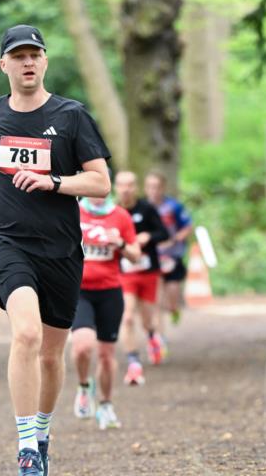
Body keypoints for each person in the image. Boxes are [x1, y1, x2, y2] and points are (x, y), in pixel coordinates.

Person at [0, 24, 111, 476]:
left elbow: (100, 182)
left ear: (45, 61)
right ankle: (25, 450)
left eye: (34, 55)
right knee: (25, 333)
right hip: (9, 243)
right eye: (18, 56)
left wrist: (54, 182)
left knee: (51, 355)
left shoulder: (71, 116)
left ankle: (41, 434)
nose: (27, 62)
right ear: (4, 64)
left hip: (61, 250)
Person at [70, 193, 141, 429]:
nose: (97, 195)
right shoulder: (73, 210)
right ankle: (84, 386)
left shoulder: (120, 216)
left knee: (106, 354)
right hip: (79, 291)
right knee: (82, 346)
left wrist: (120, 244)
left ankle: (106, 405)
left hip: (110, 292)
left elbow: (136, 255)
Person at [114, 170, 169, 385]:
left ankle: (153, 336)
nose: (126, 189)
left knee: (147, 319)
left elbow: (164, 233)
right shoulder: (113, 211)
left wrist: (148, 236)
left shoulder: (147, 209)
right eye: (121, 185)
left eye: (130, 185)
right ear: (115, 187)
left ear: (136, 188)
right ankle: (133, 360)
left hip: (148, 271)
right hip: (124, 273)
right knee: (127, 316)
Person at [144, 170, 194, 341]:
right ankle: (160, 337)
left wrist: (174, 239)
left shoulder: (174, 206)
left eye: (157, 187)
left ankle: (174, 309)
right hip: (153, 258)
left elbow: (187, 226)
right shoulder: (143, 207)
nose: (153, 191)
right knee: (157, 301)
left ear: (163, 188)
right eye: (150, 187)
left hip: (173, 256)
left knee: (171, 298)